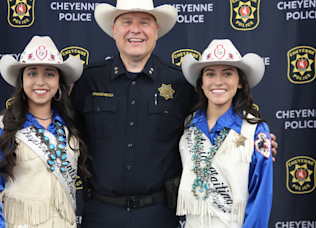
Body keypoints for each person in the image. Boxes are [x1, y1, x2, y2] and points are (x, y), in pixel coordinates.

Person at [71, 0, 277, 227]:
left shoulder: (180, 84)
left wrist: (255, 143)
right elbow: (65, 132)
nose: (135, 30)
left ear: (156, 30)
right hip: (101, 214)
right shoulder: (87, 82)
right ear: (114, 29)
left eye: (144, 22)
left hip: (159, 215)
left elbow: (216, 123)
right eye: (127, 21)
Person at [0, 36, 89, 228]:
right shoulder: (1, 132)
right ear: (22, 80)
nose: (41, 82)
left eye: (50, 74)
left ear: (59, 81)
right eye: (32, 73)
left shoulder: (71, 128)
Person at [176, 39, 273, 228]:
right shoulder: (188, 125)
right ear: (201, 84)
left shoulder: (255, 130)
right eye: (210, 74)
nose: (218, 82)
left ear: (239, 83)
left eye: (227, 74)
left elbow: (261, 196)